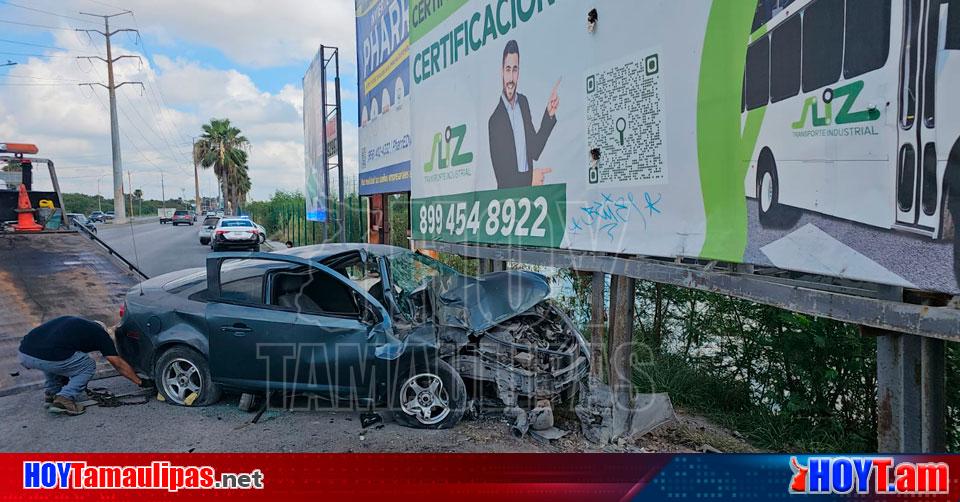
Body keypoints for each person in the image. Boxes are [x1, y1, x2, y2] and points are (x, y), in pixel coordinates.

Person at [18, 316, 148, 415]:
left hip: (24, 352)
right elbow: (117, 363)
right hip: (46, 354)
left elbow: (53, 350)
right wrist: (140, 381)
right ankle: (65, 398)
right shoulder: (100, 333)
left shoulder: (74, 323)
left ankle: (52, 392)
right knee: (88, 365)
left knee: (54, 358)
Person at [488, 39, 560, 189]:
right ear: (502, 72)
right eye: (508, 69)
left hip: (530, 195)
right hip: (509, 201)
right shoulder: (495, 121)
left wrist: (549, 114)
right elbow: (502, 177)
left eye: (515, 69)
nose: (511, 78)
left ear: (518, 72)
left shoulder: (524, 103)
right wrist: (530, 179)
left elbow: (535, 150)